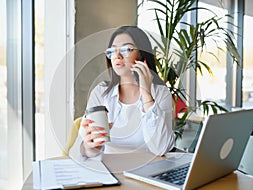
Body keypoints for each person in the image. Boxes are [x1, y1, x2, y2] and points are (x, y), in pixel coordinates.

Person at [69, 26, 175, 160]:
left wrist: (146, 93)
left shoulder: (160, 93)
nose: (117, 56)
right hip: (108, 170)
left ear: (141, 54)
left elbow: (161, 148)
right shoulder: (100, 92)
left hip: (146, 171)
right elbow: (79, 151)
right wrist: (89, 147)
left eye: (126, 50)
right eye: (112, 51)